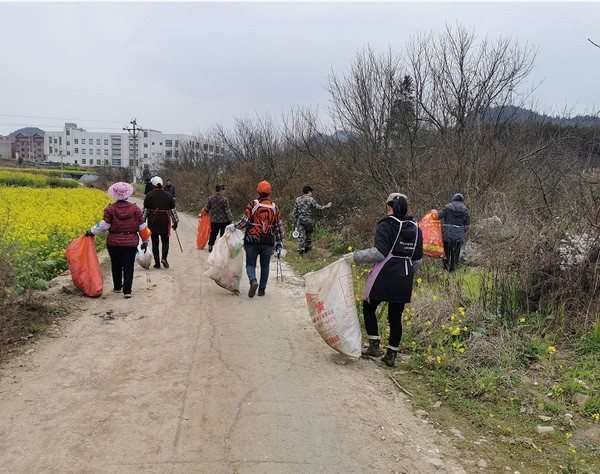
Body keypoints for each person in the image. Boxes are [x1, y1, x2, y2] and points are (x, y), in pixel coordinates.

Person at [344, 193, 423, 367]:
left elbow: (380, 252)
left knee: (369, 306)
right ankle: (391, 356)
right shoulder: (416, 228)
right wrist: (407, 274)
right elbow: (417, 260)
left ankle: (373, 345)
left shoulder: (387, 224)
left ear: (389, 206)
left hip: (385, 273)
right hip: (405, 274)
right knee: (395, 317)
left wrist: (355, 257)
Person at [85, 182, 151, 299]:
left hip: (114, 242)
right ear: (127, 195)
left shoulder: (110, 209)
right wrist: (145, 241)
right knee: (128, 265)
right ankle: (127, 291)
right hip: (130, 242)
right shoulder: (135, 209)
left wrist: (91, 231)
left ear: (114, 195)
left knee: (116, 264)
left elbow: (104, 226)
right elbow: (142, 227)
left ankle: (117, 287)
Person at [228, 180, 283, 298]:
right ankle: (262, 289)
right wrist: (279, 241)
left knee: (250, 264)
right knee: (265, 266)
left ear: (258, 191)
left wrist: (234, 226)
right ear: (269, 192)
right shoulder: (274, 207)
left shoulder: (253, 205)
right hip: (268, 241)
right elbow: (279, 226)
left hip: (252, 240)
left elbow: (245, 221)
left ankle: (253, 281)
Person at [143, 176, 179, 269]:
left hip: (153, 221)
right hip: (165, 221)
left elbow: (145, 212)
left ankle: (157, 263)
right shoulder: (168, 195)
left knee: (155, 243)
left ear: (153, 185)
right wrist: (175, 222)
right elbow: (173, 211)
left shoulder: (149, 195)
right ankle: (164, 258)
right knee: (165, 241)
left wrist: (142, 222)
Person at [291, 185, 332, 255]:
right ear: (309, 192)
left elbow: (294, 212)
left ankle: (301, 251)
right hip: (308, 220)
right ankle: (308, 249)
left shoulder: (297, 199)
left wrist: (295, 221)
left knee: (301, 236)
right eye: (311, 192)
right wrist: (326, 206)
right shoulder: (311, 199)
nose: (311, 194)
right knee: (308, 235)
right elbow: (318, 207)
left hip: (300, 220)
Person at [436, 193, 471, 272]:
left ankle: (445, 270)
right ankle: (453, 271)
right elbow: (467, 226)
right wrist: (460, 231)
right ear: (462, 200)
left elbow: (438, 216)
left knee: (446, 254)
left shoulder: (447, 208)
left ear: (453, 199)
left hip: (447, 236)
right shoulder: (466, 210)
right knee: (455, 255)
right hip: (458, 238)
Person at [203, 183, 234, 252]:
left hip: (213, 220)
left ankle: (210, 245)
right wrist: (231, 220)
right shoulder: (224, 200)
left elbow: (206, 208)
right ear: (220, 190)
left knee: (213, 233)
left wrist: (203, 214)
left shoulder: (210, 198)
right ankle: (221, 248)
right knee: (222, 234)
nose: (224, 191)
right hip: (223, 220)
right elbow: (227, 211)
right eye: (223, 189)